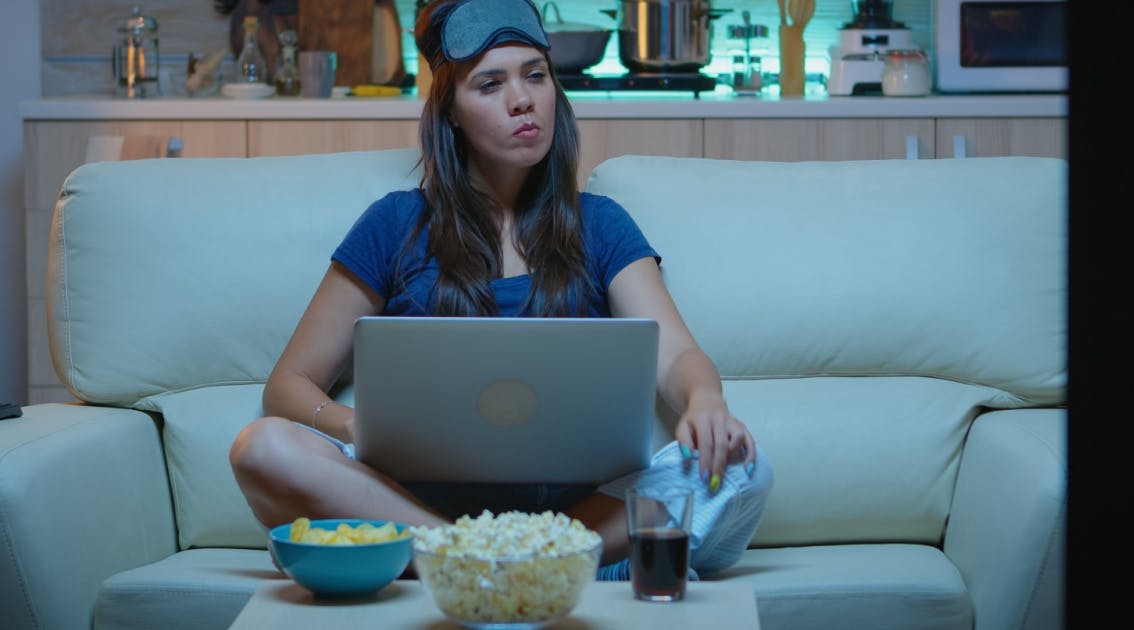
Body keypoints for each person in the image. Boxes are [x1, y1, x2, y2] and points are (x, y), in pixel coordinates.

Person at [229, 0, 773, 579]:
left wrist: (706, 400)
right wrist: (351, 425)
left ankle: (514, 560)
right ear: (451, 112)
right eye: (490, 84)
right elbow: (287, 385)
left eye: (535, 76)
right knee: (262, 448)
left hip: (579, 515)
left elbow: (678, 356)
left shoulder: (601, 223)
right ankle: (493, 558)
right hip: (416, 508)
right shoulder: (395, 223)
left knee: (743, 469)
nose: (523, 100)